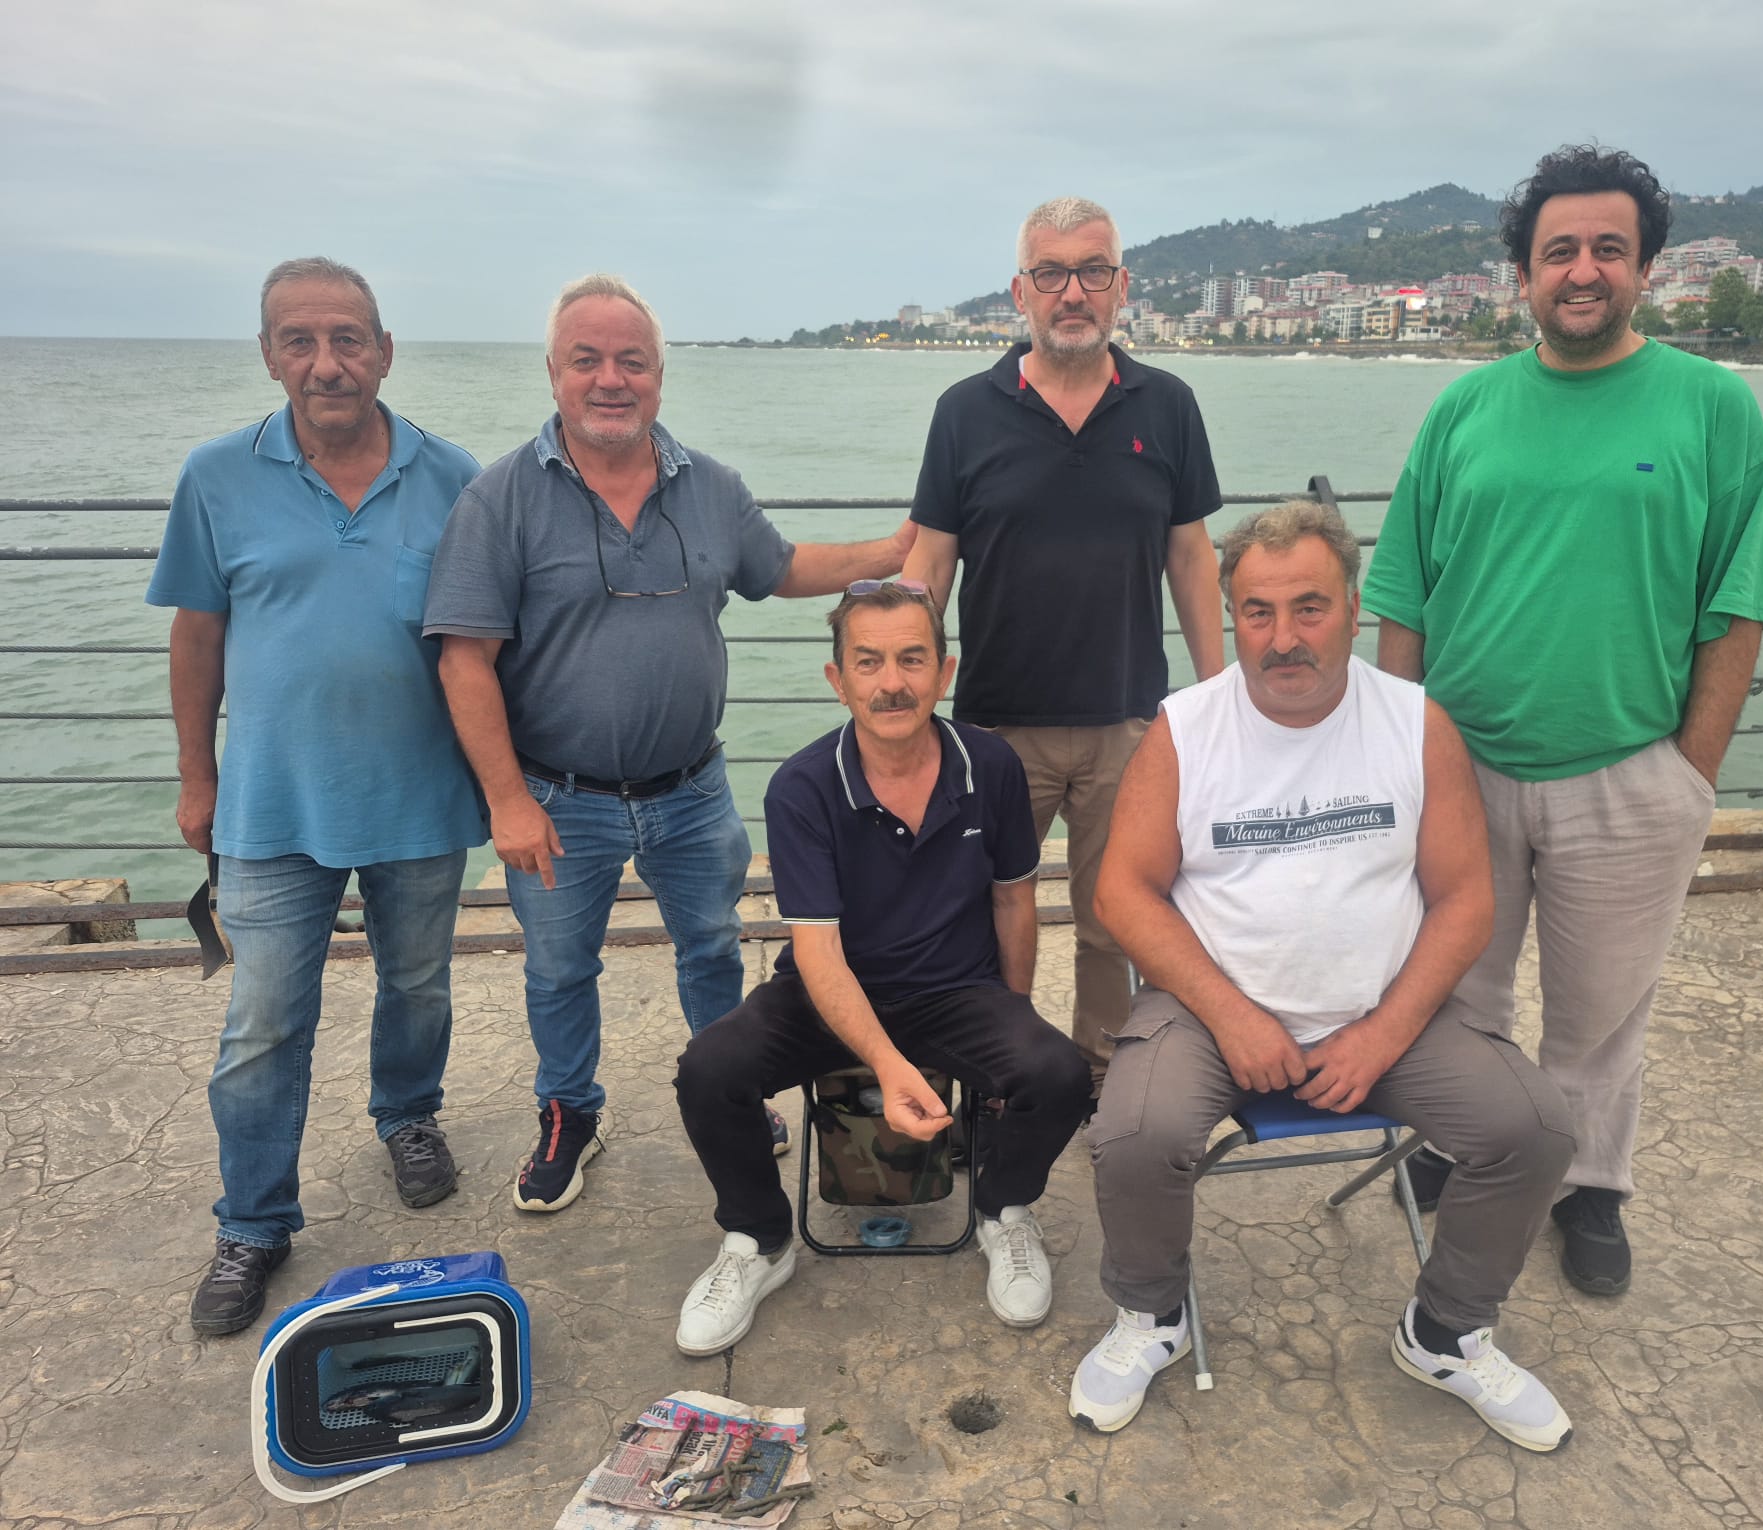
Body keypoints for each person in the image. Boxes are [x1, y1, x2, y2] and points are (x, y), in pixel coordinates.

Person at [1363, 145, 1763, 1297]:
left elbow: (1740, 601)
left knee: (1601, 1014)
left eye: (1608, 248)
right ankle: (1467, 1143)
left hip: (1630, 770)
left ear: (1647, 269)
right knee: (1463, 989)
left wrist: (1690, 774)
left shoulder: (1713, 406)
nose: (1583, 269)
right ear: (1524, 276)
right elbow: (1402, 595)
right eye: (1559, 251)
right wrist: (1403, 756)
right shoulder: (1465, 408)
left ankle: (1590, 1182)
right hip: (1463, 764)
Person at [1074, 502, 1577, 1451]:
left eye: (1309, 607)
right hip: (1211, 1011)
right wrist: (1231, 1016)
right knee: (1133, 1133)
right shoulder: (1187, 728)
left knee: (1534, 1129)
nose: (1284, 638)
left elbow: (1465, 900)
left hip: (1382, 1011)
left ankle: (1446, 1333)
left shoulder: (1415, 723)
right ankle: (1152, 1315)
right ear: (1232, 618)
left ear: (1353, 609)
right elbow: (1124, 894)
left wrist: (1382, 1034)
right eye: (1257, 612)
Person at [425, 274, 917, 1212]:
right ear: (554, 371)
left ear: (659, 374)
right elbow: (464, 661)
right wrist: (507, 802)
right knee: (559, 970)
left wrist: (892, 554)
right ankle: (569, 1112)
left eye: (632, 361)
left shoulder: (712, 488)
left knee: (712, 948)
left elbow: (780, 569)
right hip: (558, 797)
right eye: (588, 360)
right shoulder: (500, 499)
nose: (611, 379)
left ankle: (729, 1091)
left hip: (692, 790)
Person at [148, 257, 485, 1336]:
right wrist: (196, 775)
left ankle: (409, 1117)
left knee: (418, 987)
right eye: (300, 340)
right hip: (270, 805)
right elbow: (197, 636)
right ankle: (253, 1221)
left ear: (385, 352)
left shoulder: (455, 476)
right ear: (268, 355)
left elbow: (488, 643)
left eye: (348, 339)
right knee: (262, 1024)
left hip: (421, 796)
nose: (326, 363)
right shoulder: (216, 475)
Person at [671, 581, 1091, 1353]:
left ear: (945, 672)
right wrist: (891, 1066)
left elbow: (1012, 899)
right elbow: (818, 951)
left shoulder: (992, 765)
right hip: (829, 990)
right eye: (868, 662)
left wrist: (1014, 1017)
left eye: (911, 659)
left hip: (956, 990)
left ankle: (1003, 1210)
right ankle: (759, 1240)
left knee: (1059, 1073)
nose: (891, 682)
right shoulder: (801, 787)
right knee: (708, 1068)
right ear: (838, 680)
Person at [904, 196, 1226, 1076]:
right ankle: (991, 1074)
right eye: (1051, 273)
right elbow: (930, 564)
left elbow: (1192, 557)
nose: (1072, 292)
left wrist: (1217, 700)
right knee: (974, 913)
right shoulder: (964, 412)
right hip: (995, 727)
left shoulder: (1169, 406)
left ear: (1122, 286)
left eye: (1092, 271)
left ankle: (1102, 1078)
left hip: (1128, 724)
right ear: (1021, 292)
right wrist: (901, 697)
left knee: (1114, 922)